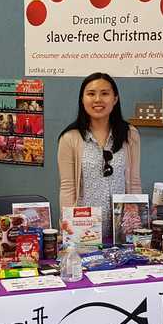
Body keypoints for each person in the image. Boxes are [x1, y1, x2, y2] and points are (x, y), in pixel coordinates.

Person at [58, 72, 141, 242]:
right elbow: (67, 188)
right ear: (82, 99)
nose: (97, 99)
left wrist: (136, 222)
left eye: (105, 93)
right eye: (91, 94)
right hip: (85, 228)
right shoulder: (70, 138)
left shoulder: (130, 134)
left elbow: (134, 181)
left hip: (121, 228)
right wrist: (69, 227)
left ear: (115, 99)